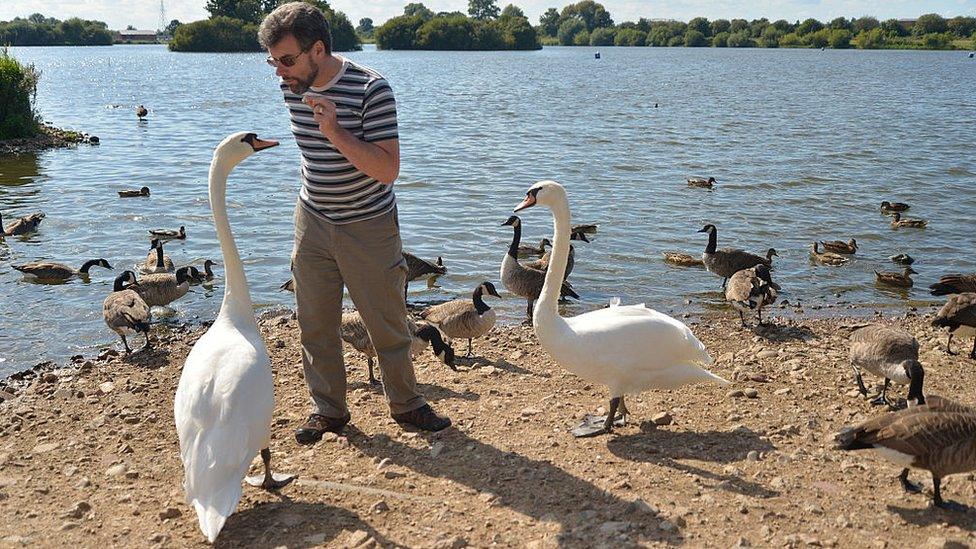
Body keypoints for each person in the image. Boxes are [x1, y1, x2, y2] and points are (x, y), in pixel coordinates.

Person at [258, 2, 451, 443]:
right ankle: (329, 410)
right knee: (315, 322)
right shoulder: (293, 84)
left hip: (369, 223)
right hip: (312, 218)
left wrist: (336, 132)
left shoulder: (372, 90)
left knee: (386, 322)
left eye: (286, 60)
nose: (279, 72)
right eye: (273, 61)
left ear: (318, 49)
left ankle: (407, 404)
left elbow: (387, 170)